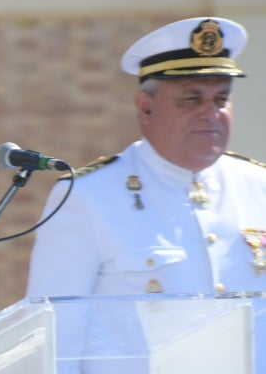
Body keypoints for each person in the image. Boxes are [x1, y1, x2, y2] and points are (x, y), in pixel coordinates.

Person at [28, 16, 266, 298]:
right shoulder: (87, 196)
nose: (211, 113)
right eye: (191, 99)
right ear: (145, 107)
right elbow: (55, 318)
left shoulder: (258, 185)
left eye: (221, 99)